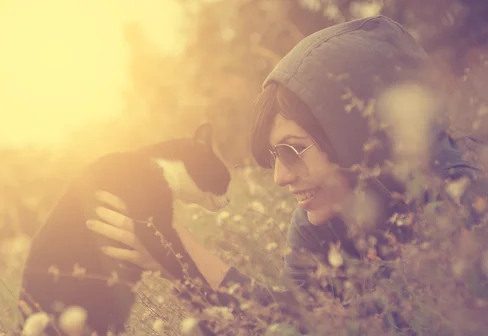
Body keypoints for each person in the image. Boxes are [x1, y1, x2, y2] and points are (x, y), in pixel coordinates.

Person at [86, 16, 487, 309]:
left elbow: (396, 335)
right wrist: (178, 261)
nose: (279, 178)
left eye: (293, 150)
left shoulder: (464, 200)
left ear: (361, 137)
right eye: (274, 157)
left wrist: (188, 255)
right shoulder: (315, 226)